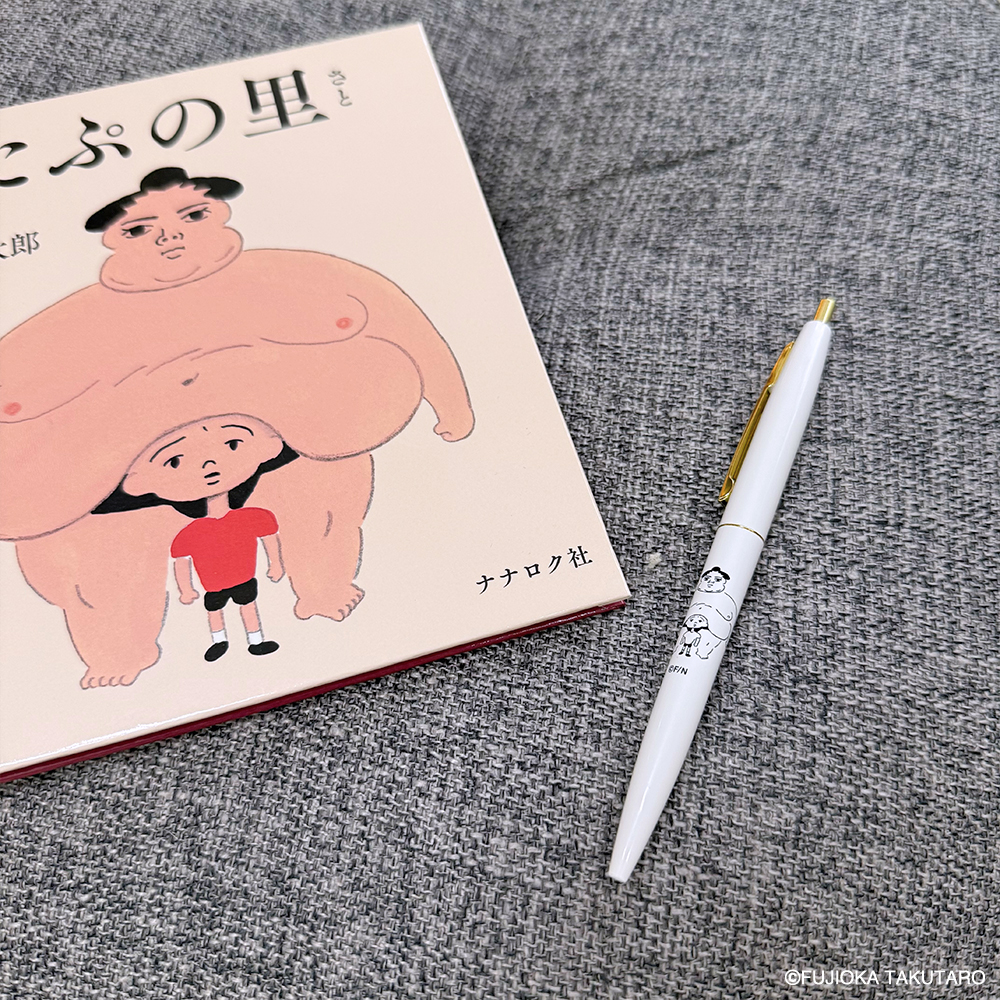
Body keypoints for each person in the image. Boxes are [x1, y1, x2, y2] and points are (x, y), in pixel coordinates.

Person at [121, 414, 287, 662]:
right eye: (175, 461)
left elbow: (269, 537)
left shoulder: (253, 517)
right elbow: (181, 562)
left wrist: (276, 564)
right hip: (213, 585)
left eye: (231, 444)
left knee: (248, 606)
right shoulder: (189, 534)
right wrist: (186, 589)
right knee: (215, 610)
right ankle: (219, 641)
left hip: (243, 577)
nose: (209, 464)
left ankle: (256, 641)